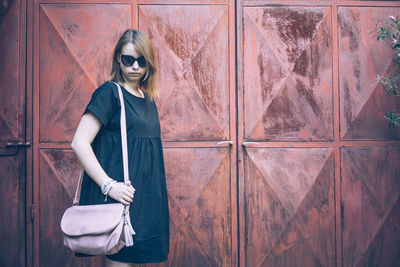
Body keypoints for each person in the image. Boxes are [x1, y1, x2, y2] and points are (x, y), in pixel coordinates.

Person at [71, 29, 169, 266]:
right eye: (128, 59)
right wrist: (109, 186)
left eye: (141, 61)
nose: (135, 66)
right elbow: (79, 142)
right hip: (120, 198)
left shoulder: (148, 99)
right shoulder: (109, 93)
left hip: (146, 200)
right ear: (118, 58)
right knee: (120, 261)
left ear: (149, 64)